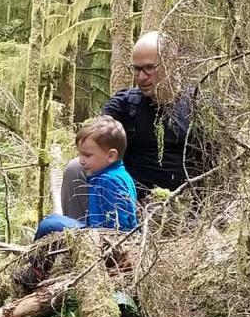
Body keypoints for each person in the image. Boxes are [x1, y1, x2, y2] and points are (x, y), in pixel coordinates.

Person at [62, 31, 201, 219]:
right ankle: (79, 237)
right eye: (136, 69)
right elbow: (95, 141)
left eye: (149, 68)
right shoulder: (124, 104)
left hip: (177, 202)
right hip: (124, 198)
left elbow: (217, 166)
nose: (141, 77)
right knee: (75, 168)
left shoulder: (198, 106)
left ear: (172, 64)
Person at [15, 116, 137, 290]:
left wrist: (110, 252)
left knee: (49, 225)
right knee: (54, 220)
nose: (81, 160)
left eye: (87, 155)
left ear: (111, 155)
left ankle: (35, 272)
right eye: (80, 154)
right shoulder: (111, 175)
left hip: (103, 243)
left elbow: (120, 225)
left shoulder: (110, 181)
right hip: (99, 237)